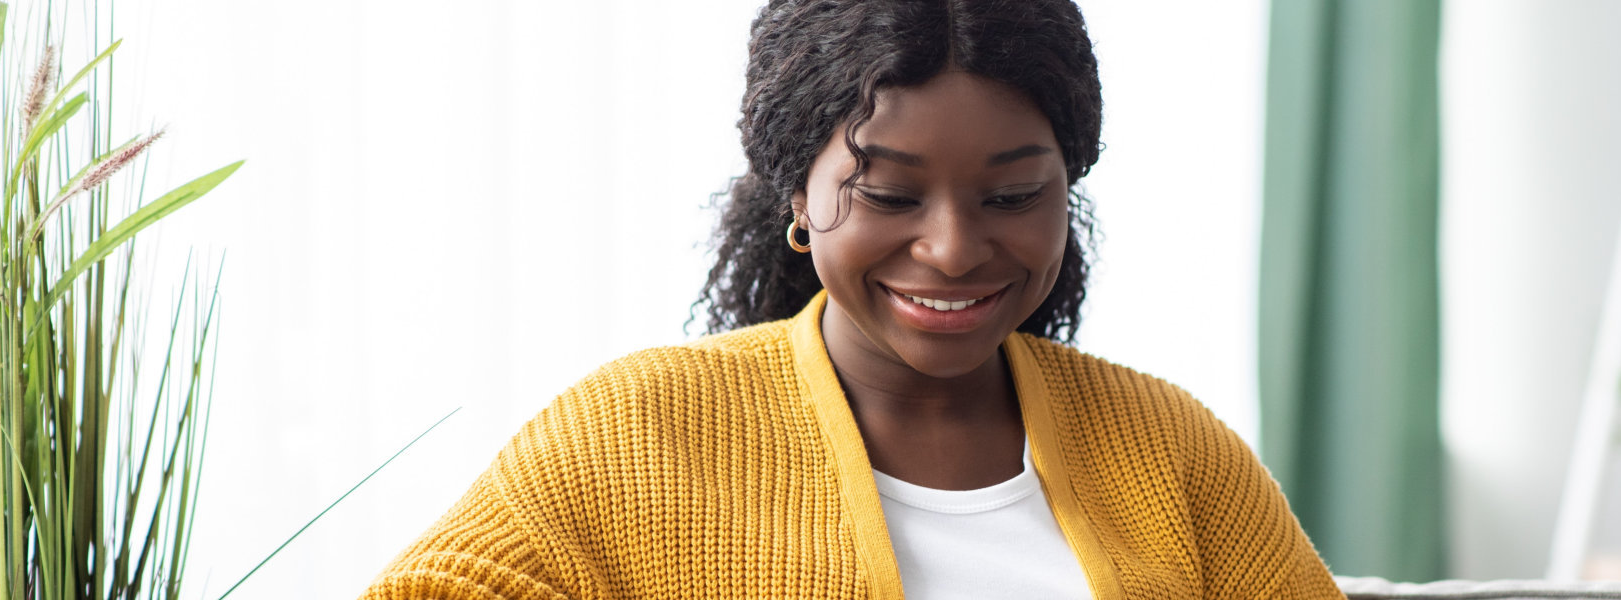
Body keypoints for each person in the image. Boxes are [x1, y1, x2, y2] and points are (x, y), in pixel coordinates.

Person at [363, 1, 1344, 598]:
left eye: (1011, 196)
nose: (954, 249)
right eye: (887, 193)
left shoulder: (1172, 449)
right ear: (799, 191)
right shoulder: (635, 431)